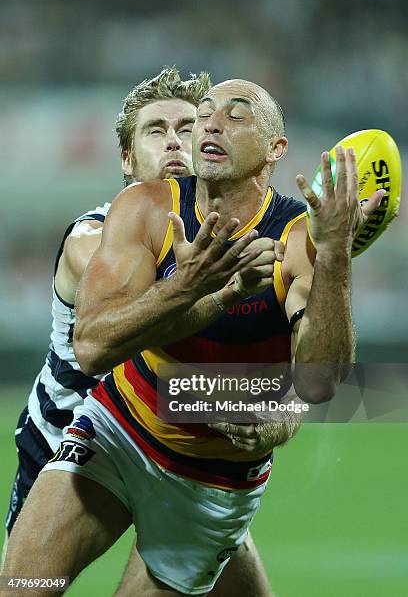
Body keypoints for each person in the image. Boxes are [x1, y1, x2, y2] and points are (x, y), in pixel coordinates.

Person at [2, 78, 383, 596]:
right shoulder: (142, 209)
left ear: (277, 149)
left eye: (236, 114)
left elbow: (318, 383)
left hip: (211, 481)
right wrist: (200, 288)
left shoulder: (298, 236)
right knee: (22, 587)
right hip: (117, 430)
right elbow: (92, 346)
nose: (210, 123)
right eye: (204, 113)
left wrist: (335, 254)